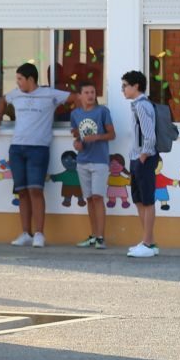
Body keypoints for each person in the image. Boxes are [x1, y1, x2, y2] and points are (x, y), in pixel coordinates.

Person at [0, 63, 75, 248]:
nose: (17, 82)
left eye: (20, 79)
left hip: (38, 148)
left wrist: (77, 125)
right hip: (17, 148)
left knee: (36, 190)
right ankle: (25, 232)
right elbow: (3, 100)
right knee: (22, 191)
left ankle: (39, 234)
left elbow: (76, 98)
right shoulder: (15, 94)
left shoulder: (50, 94)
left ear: (30, 79)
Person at [69, 81, 115, 249]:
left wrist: (97, 137)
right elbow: (76, 135)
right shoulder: (75, 114)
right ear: (80, 96)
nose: (90, 95)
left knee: (97, 197)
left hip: (99, 161)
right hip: (82, 161)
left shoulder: (102, 111)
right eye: (86, 92)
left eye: (93, 92)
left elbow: (112, 134)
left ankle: (101, 237)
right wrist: (77, 143)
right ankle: (94, 235)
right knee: (89, 198)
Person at [122, 70, 160, 258]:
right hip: (136, 157)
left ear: (136, 86)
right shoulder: (137, 105)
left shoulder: (142, 106)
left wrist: (144, 154)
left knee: (147, 199)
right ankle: (149, 241)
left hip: (143, 158)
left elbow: (149, 134)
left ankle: (147, 242)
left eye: (125, 86)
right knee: (138, 199)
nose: (123, 90)